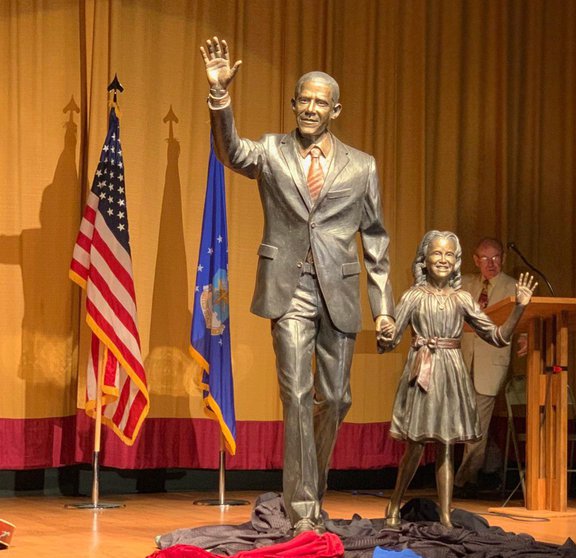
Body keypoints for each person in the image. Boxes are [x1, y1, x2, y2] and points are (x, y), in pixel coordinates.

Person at [200, 37, 395, 535]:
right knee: (297, 392)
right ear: (293, 104)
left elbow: (375, 239)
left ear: (335, 110)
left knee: (336, 398)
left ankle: (312, 483)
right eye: (303, 100)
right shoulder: (271, 151)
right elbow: (231, 152)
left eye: (319, 102)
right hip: (289, 288)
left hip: (340, 291)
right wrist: (220, 96)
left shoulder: (362, 165)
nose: (310, 108)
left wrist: (384, 309)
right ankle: (303, 510)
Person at [378, 231, 536, 528]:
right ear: (424, 260)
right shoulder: (413, 296)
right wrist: (385, 332)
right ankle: (394, 502)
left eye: (449, 254)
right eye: (437, 253)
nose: (443, 259)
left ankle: (446, 515)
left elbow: (498, 336)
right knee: (415, 445)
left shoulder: (462, 298)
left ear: (456, 261)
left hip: (451, 374)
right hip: (422, 372)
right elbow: (390, 340)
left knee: (447, 445)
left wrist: (520, 307)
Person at [453, 237, 525, 498]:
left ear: (503, 258)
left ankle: (464, 480)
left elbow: (524, 318)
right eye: (485, 258)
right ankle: (493, 466)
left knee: (477, 423)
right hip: (463, 361)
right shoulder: (465, 284)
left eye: (495, 257)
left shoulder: (513, 286)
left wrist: (525, 337)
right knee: (468, 422)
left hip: (491, 363)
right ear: (476, 260)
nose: (491, 263)